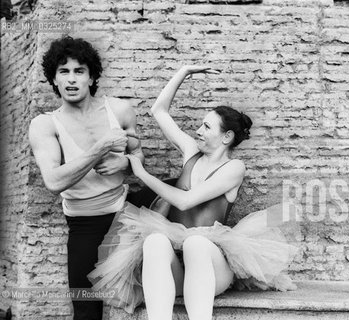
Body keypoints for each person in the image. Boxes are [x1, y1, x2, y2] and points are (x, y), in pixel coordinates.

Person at [88, 66, 297, 319]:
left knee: (195, 242)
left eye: (207, 127)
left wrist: (142, 174)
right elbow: (159, 111)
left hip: (211, 267)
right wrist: (183, 72)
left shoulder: (234, 168)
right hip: (177, 270)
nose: (198, 130)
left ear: (226, 137)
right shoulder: (190, 152)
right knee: (153, 241)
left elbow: (185, 202)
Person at [28, 36, 144, 320]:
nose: (71, 79)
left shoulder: (120, 111)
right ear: (53, 80)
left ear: (92, 77)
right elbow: (54, 182)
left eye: (79, 71)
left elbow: (139, 157)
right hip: (85, 223)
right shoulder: (45, 125)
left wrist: (126, 162)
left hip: (126, 211)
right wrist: (101, 148)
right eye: (63, 72)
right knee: (85, 308)